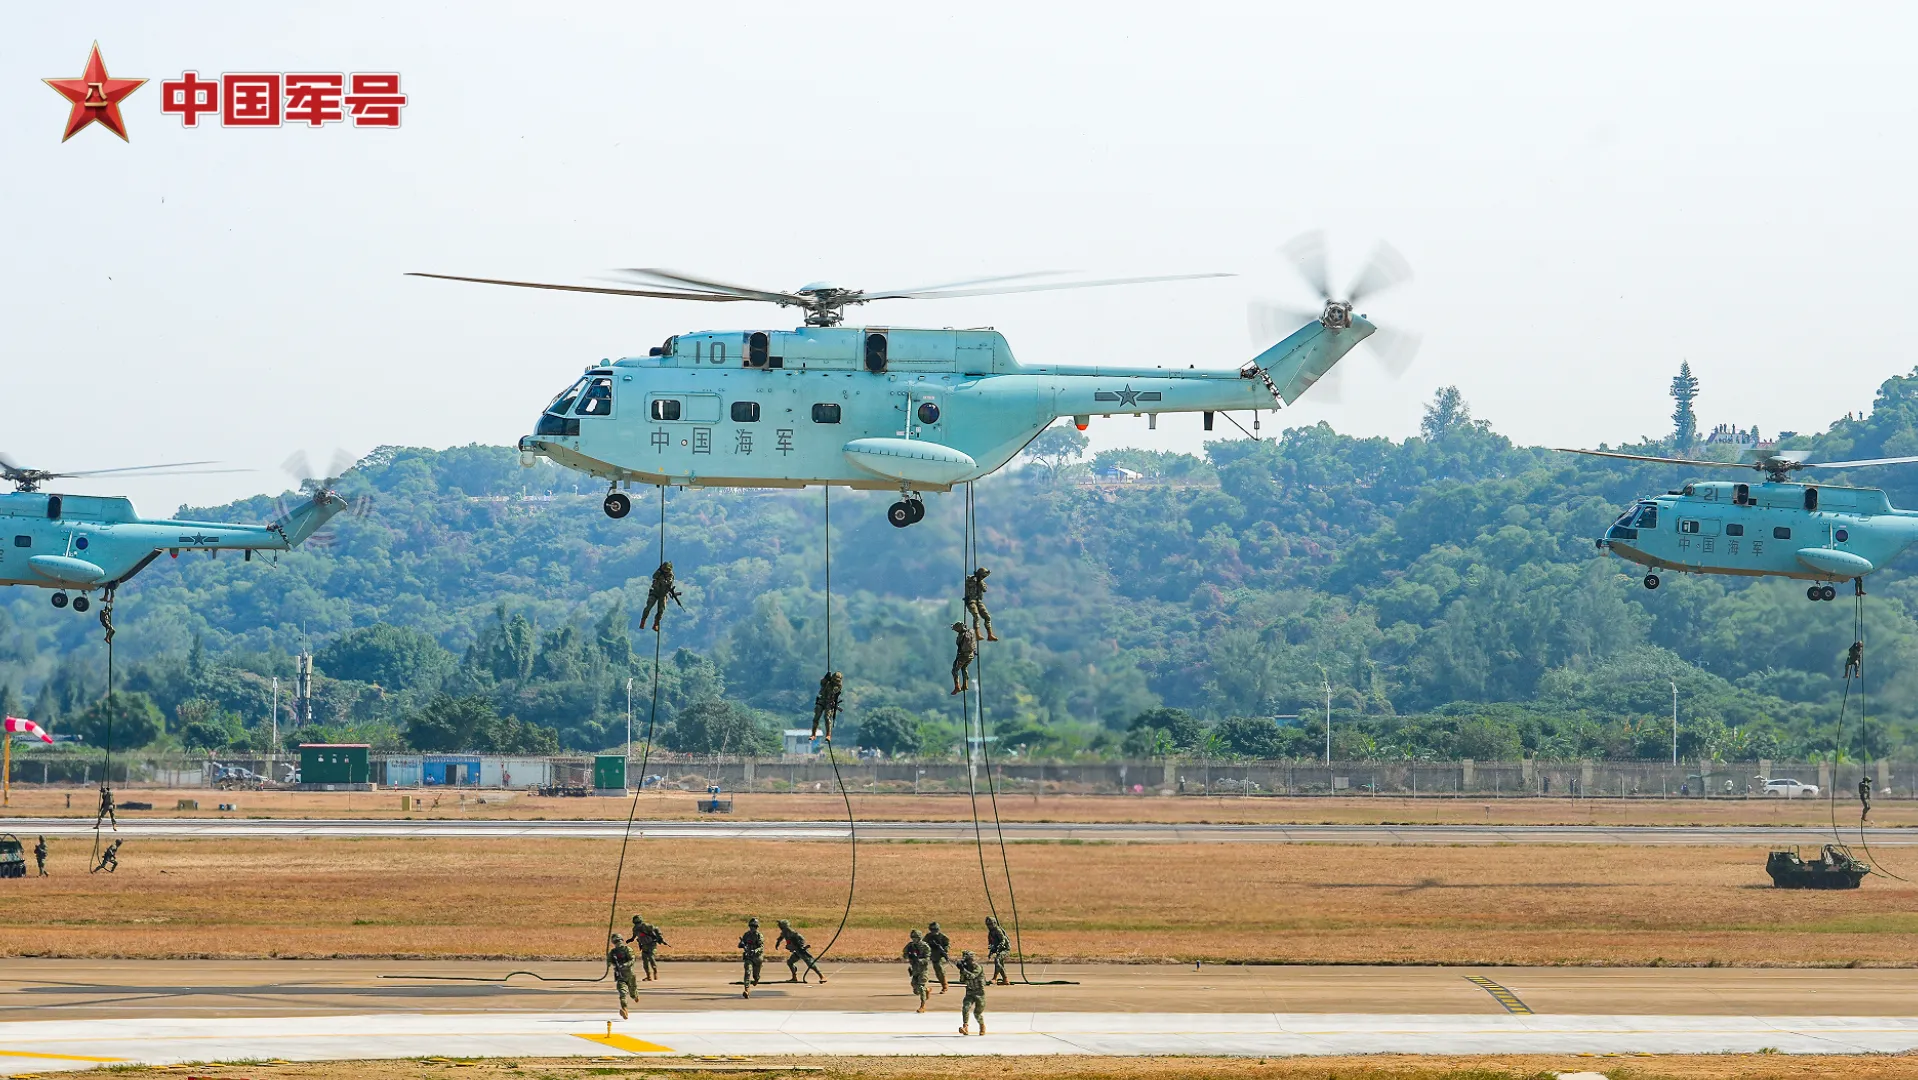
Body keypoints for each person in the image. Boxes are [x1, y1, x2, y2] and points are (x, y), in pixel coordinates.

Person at [775, 919, 826, 984]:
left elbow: (801, 939)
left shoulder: (792, 932)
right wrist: (778, 943)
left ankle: (822, 976)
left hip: (801, 951)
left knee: (810, 964)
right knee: (790, 962)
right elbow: (781, 937)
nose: (779, 927)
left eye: (780, 925)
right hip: (796, 951)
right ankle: (794, 977)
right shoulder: (784, 932)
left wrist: (800, 946)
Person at [639, 562, 683, 632]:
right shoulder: (659, 572)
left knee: (661, 609)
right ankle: (643, 620)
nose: (666, 570)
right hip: (655, 591)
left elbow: (669, 582)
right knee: (649, 606)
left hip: (663, 594)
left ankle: (656, 623)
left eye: (667, 569)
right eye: (664, 569)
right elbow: (654, 576)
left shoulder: (671, 575)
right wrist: (659, 571)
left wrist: (663, 581)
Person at [607, 933, 639, 1019]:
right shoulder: (613, 953)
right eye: (616, 941)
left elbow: (632, 960)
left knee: (632, 992)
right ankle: (625, 1010)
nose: (618, 943)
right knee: (622, 993)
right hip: (620, 976)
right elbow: (609, 962)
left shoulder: (627, 949)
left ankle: (634, 996)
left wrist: (624, 965)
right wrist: (611, 962)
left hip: (630, 975)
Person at [955, 949, 987, 1035]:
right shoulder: (966, 968)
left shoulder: (977, 967)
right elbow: (962, 980)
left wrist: (963, 970)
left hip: (979, 993)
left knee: (977, 1013)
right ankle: (965, 1027)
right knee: (965, 1008)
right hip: (969, 992)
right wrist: (961, 970)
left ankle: (982, 1026)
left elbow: (972, 976)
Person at [964, 568, 999, 642]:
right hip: (971, 601)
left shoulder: (981, 582)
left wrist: (980, 582)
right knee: (976, 616)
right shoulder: (971, 580)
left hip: (978, 601)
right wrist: (975, 580)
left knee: (987, 616)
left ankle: (990, 634)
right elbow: (968, 584)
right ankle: (977, 634)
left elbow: (984, 589)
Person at [628, 915, 667, 981]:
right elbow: (635, 935)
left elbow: (656, 929)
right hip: (644, 946)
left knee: (651, 957)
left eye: (638, 923)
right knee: (645, 961)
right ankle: (648, 976)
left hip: (652, 944)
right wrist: (631, 939)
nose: (637, 925)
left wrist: (661, 939)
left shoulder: (647, 926)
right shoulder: (635, 929)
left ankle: (655, 972)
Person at [902, 928, 932, 1012]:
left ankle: (922, 1006)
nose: (914, 939)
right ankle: (927, 990)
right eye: (913, 937)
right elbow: (904, 954)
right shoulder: (910, 946)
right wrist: (908, 956)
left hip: (923, 969)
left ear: (919, 938)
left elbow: (928, 958)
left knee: (921, 987)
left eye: (916, 938)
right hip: (915, 968)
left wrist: (920, 960)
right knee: (915, 989)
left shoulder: (925, 946)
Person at [738, 918, 766, 999]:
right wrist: (742, 944)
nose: (752, 928)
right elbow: (740, 944)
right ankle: (747, 990)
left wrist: (755, 951)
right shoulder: (746, 935)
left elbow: (761, 947)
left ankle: (756, 979)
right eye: (751, 926)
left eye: (754, 926)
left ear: (757, 927)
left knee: (755, 976)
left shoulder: (759, 936)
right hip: (749, 957)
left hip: (757, 958)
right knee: (747, 971)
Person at [812, 671, 843, 741]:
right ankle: (813, 734)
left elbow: (835, 691)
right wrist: (826, 678)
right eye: (834, 679)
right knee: (816, 716)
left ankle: (828, 735)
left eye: (837, 680)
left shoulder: (838, 686)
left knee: (827, 717)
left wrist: (830, 682)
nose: (836, 681)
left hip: (830, 702)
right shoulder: (827, 682)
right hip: (822, 700)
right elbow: (822, 683)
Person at [924, 921, 952, 993]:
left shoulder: (943, 937)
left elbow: (947, 944)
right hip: (931, 955)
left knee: (940, 970)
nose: (934, 931)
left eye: (935, 930)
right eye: (932, 930)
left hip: (939, 956)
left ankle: (944, 986)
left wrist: (945, 949)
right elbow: (923, 944)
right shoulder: (928, 937)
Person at [950, 622, 976, 696]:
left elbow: (958, 643)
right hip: (971, 655)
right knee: (964, 668)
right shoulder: (970, 633)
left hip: (963, 656)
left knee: (955, 670)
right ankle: (965, 685)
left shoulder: (961, 635)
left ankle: (957, 686)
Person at [985, 915, 1011, 985]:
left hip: (1005, 949)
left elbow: (1003, 940)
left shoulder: (998, 930)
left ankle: (995, 978)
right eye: (988, 925)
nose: (989, 926)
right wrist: (991, 950)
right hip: (998, 949)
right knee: (1000, 963)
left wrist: (999, 947)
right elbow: (990, 943)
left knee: (997, 960)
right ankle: (1005, 980)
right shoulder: (990, 933)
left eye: (990, 924)